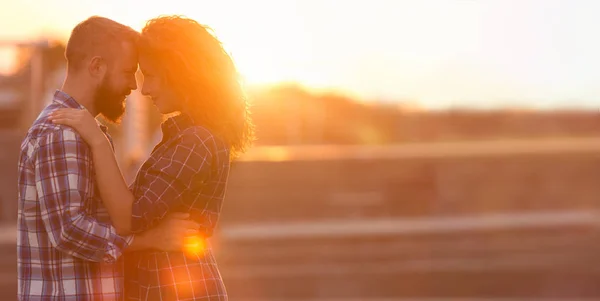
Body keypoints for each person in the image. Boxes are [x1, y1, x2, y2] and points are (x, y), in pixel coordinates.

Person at [49, 15, 254, 300]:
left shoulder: (196, 142)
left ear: (181, 75)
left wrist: (98, 140)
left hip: (176, 290)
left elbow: (130, 219)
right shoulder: (183, 137)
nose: (144, 89)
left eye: (151, 76)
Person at [17, 16, 200, 301]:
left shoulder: (82, 130)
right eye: (128, 72)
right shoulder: (62, 134)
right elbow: (69, 230)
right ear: (97, 66)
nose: (133, 86)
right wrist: (152, 240)